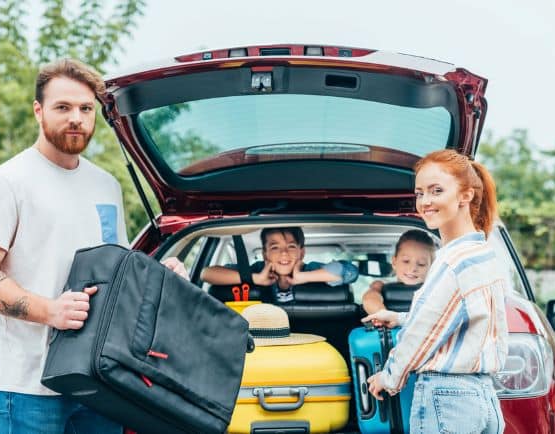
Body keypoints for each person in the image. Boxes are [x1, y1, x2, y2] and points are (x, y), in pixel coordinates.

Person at [0, 59, 187, 434]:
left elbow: (116, 270)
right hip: (29, 387)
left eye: (85, 108)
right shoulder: (7, 183)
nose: (76, 118)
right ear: (38, 111)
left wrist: (160, 275)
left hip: (99, 381)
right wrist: (49, 311)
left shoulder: (106, 185)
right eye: (62, 107)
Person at [363, 150, 509, 433]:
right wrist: (400, 317)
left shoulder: (452, 261)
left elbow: (421, 334)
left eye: (436, 191)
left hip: (447, 399)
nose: (425, 202)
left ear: (465, 196)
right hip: (484, 398)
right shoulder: (483, 255)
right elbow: (467, 318)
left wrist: (389, 377)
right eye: (419, 193)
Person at [201, 227, 358, 303]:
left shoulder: (311, 269)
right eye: (275, 247)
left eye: (291, 246)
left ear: (301, 253)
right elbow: (206, 274)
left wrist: (304, 277)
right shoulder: (255, 270)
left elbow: (350, 271)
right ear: (265, 254)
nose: (284, 253)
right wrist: (255, 279)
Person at [362, 229, 435, 318]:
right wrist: (382, 313)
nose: (413, 269)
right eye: (406, 261)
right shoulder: (382, 284)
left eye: (421, 264)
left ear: (431, 266)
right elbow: (369, 299)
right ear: (394, 262)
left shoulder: (435, 287)